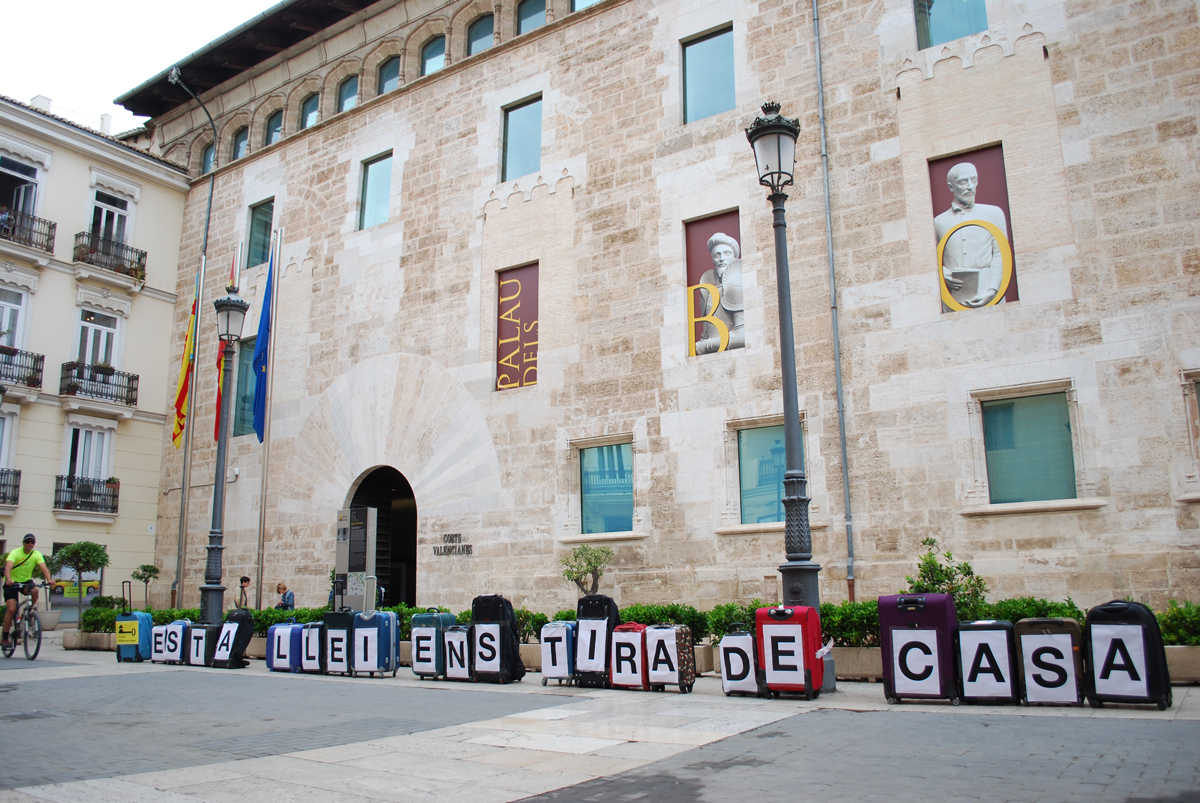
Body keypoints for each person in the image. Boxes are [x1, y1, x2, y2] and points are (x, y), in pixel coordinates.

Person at [933, 161, 1009, 308]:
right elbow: (932, 260)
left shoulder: (994, 213)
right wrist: (944, 274)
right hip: (954, 294)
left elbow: (1001, 255)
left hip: (989, 289)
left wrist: (993, 289)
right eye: (963, 182)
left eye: (973, 180)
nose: (970, 186)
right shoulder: (939, 222)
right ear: (951, 186)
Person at [694, 232, 745, 354]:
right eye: (717, 254)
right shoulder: (709, 290)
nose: (722, 258)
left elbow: (743, 336)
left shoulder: (736, 286)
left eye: (727, 253)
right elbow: (706, 334)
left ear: (734, 257)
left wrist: (704, 346)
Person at [3, 534, 53, 648]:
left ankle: (30, 611)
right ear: (23, 543)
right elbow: (8, 567)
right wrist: (9, 579)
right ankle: (5, 638)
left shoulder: (36, 554)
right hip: (12, 583)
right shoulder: (15, 553)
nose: (30, 544)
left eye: (32, 542)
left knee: (35, 590)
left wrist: (49, 579)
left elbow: (44, 568)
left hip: (26, 582)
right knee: (11, 609)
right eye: (27, 542)